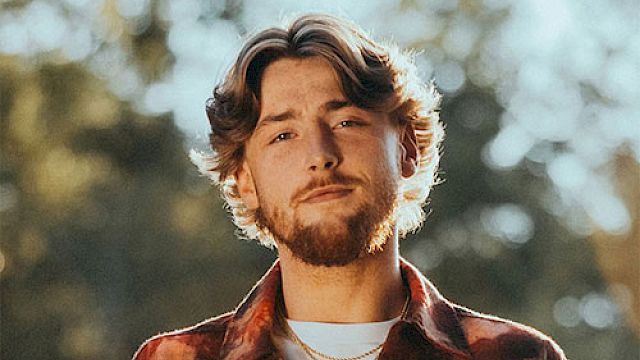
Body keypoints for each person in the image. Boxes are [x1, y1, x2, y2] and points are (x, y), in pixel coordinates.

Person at [133, 13, 566, 360]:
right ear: (245, 180)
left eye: (346, 122)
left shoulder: (517, 355)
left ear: (406, 148)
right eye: (283, 135)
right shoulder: (175, 358)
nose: (319, 154)